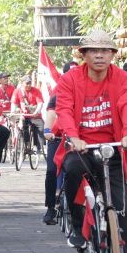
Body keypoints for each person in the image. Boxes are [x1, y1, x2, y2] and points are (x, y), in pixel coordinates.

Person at [53, 30, 127, 253]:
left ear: (112, 55)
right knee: (71, 170)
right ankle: (76, 221)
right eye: (94, 51)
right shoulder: (69, 79)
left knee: (124, 211)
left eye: (105, 51)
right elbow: (64, 110)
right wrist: (74, 137)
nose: (99, 56)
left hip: (113, 150)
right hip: (82, 148)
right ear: (84, 55)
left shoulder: (124, 80)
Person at [42, 61, 77, 225]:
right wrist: (48, 131)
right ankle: (50, 207)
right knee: (51, 171)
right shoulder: (58, 95)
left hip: (78, 140)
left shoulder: (87, 93)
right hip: (58, 138)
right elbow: (51, 115)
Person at [11, 75, 45, 153]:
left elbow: (40, 103)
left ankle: (39, 146)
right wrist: (13, 112)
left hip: (35, 115)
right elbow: (14, 103)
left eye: (30, 83)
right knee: (23, 127)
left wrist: (37, 111)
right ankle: (26, 144)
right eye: (27, 83)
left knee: (41, 127)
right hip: (24, 115)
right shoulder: (17, 91)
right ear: (22, 83)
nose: (29, 85)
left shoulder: (36, 91)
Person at [0, 72, 13, 177]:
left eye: (7, 78)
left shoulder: (11, 88)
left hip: (8, 113)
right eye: (4, 78)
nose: (6, 79)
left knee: (5, 132)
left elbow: (15, 101)